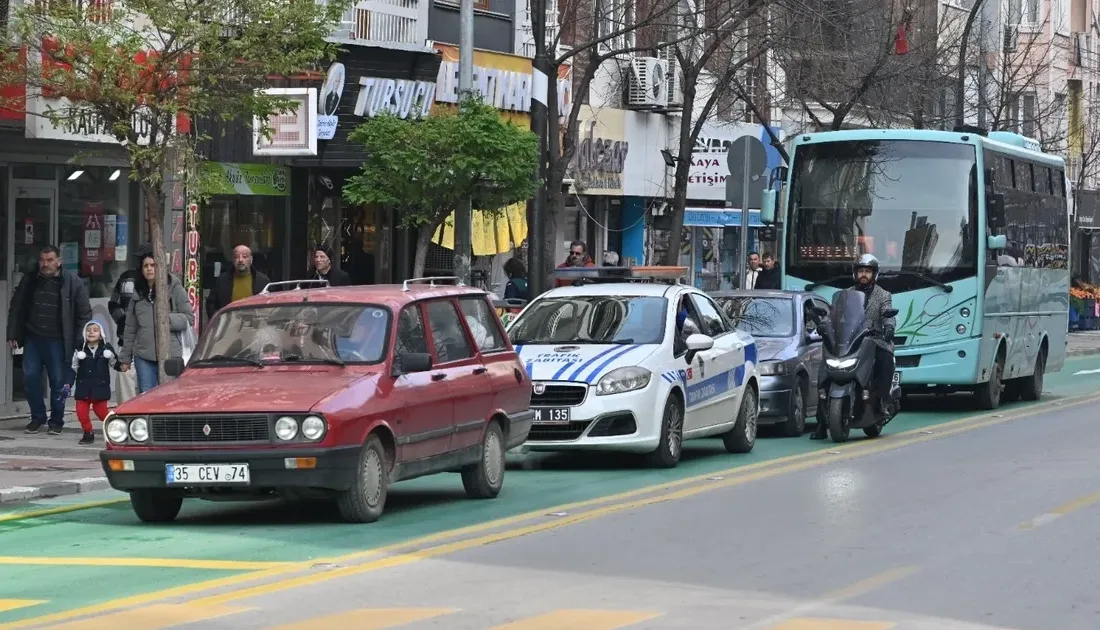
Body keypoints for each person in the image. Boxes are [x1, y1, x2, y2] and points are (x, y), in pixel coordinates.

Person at [6, 245, 92, 435]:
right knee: (29, 378)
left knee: (57, 382)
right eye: (43, 260)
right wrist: (13, 333)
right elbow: (17, 306)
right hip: (33, 339)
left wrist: (80, 339)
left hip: (58, 341)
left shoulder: (71, 281)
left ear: (59, 261)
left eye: (50, 260)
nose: (45, 264)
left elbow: (84, 313)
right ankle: (37, 417)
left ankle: (56, 421)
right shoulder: (30, 279)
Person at [811, 253, 896, 440]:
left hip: (874, 338)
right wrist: (824, 324)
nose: (863, 275)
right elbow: (834, 314)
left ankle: (881, 400)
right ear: (855, 274)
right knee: (824, 371)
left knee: (886, 358)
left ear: (874, 274)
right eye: (860, 271)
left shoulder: (883, 295)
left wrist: (889, 326)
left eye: (867, 271)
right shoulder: (846, 293)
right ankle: (821, 423)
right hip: (849, 339)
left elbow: (888, 314)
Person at [118, 252, 195, 393]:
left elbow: (189, 318)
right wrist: (125, 358)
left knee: (170, 395)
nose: (149, 269)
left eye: (153, 265)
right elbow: (130, 328)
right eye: (146, 266)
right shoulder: (137, 294)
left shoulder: (175, 288)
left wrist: (166, 320)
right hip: (143, 356)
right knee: (146, 396)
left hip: (171, 355)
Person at [108, 244, 152, 402]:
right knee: (125, 379)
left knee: (148, 387)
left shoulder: (161, 281)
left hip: (151, 343)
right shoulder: (127, 277)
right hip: (126, 339)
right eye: (142, 260)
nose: (145, 265)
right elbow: (113, 303)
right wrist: (124, 322)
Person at [69, 321, 118, 445]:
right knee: (81, 412)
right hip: (83, 386)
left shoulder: (107, 350)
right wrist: (68, 383)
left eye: (95, 330)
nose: (91, 332)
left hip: (100, 387)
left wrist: (122, 365)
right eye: (88, 330)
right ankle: (88, 433)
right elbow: (74, 367)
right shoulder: (79, 350)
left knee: (102, 413)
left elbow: (114, 363)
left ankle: (116, 429)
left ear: (101, 335)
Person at [205, 245, 271, 318]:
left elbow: (270, 306)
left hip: (255, 325)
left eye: (244, 256)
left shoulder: (263, 281)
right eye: (236, 257)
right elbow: (211, 304)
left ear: (251, 260)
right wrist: (219, 321)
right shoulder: (222, 280)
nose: (240, 260)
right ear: (233, 260)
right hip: (229, 325)